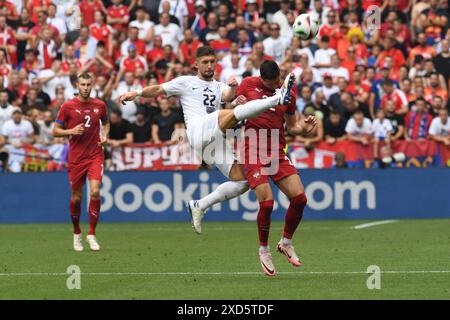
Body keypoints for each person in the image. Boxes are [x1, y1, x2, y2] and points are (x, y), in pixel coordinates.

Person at [119, 46, 295, 234]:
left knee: (243, 181)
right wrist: (136, 93)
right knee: (232, 114)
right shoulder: (186, 82)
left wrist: (234, 89)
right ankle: (277, 99)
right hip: (197, 130)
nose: (210, 66)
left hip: (213, 138)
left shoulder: (218, 85)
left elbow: (228, 96)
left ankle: (200, 205)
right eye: (205, 62)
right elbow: (158, 89)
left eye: (212, 62)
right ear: (196, 64)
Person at [236, 60, 316, 276]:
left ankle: (286, 242)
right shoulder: (247, 85)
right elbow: (231, 111)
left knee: (300, 199)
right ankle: (263, 250)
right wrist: (236, 103)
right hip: (252, 150)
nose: (276, 86)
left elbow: (292, 126)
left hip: (276, 151)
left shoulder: (287, 90)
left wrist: (304, 128)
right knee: (268, 203)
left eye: (278, 81)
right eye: (271, 83)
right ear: (261, 79)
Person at [53, 73, 110, 252]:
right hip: (76, 158)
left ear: (92, 86)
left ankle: (91, 234)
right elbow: (55, 131)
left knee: (94, 192)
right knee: (77, 197)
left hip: (95, 155)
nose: (85, 87)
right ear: (77, 86)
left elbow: (106, 122)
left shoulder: (100, 105)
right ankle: (77, 232)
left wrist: (105, 135)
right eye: (83, 84)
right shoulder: (67, 106)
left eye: (88, 85)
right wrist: (70, 130)